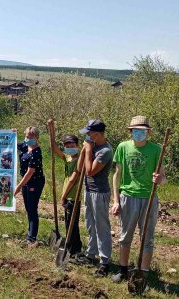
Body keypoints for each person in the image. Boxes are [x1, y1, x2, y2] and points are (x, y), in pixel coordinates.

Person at [111, 116, 167, 284]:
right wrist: (116, 200)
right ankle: (123, 270)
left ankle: (143, 275)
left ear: (148, 132)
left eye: (142, 131)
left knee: (147, 238)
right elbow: (117, 175)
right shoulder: (123, 147)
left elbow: (164, 179)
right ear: (131, 132)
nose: (138, 134)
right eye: (135, 131)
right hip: (127, 197)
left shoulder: (156, 149)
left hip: (149, 198)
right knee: (124, 236)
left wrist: (159, 180)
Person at [74, 119, 113, 277]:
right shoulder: (92, 147)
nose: (87, 136)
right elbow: (80, 168)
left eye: (90, 133)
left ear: (98, 134)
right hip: (88, 190)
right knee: (90, 224)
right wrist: (84, 151)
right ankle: (91, 254)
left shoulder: (105, 151)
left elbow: (90, 171)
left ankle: (105, 261)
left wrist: (88, 149)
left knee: (101, 227)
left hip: (100, 192)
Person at [49, 129, 83, 257]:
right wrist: (51, 133)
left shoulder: (79, 160)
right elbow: (55, 150)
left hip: (73, 196)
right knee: (69, 223)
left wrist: (63, 196)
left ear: (77, 145)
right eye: (67, 146)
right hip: (67, 195)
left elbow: (73, 179)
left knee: (72, 225)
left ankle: (74, 249)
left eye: (72, 146)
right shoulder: (68, 158)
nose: (69, 148)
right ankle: (73, 246)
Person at [14, 127, 45, 244]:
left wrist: (18, 186)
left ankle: (32, 238)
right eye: (27, 136)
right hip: (26, 182)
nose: (28, 139)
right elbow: (13, 144)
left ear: (36, 137)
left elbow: (30, 172)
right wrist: (13, 134)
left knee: (32, 209)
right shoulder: (25, 147)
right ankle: (30, 234)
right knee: (28, 208)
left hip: (34, 182)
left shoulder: (36, 152)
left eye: (31, 137)